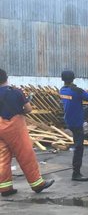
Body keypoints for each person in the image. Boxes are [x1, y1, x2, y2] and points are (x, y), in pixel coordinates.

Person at [0, 68, 54, 196]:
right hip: (14, 125)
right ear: (6, 78)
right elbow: (28, 109)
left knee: (2, 158)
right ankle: (37, 184)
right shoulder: (16, 92)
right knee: (25, 154)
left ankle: (5, 188)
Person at [59, 70, 88, 182]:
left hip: (69, 120)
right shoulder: (76, 90)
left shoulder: (63, 90)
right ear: (73, 78)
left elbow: (80, 95)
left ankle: (76, 172)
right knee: (79, 148)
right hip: (76, 123)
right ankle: (76, 173)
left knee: (77, 145)